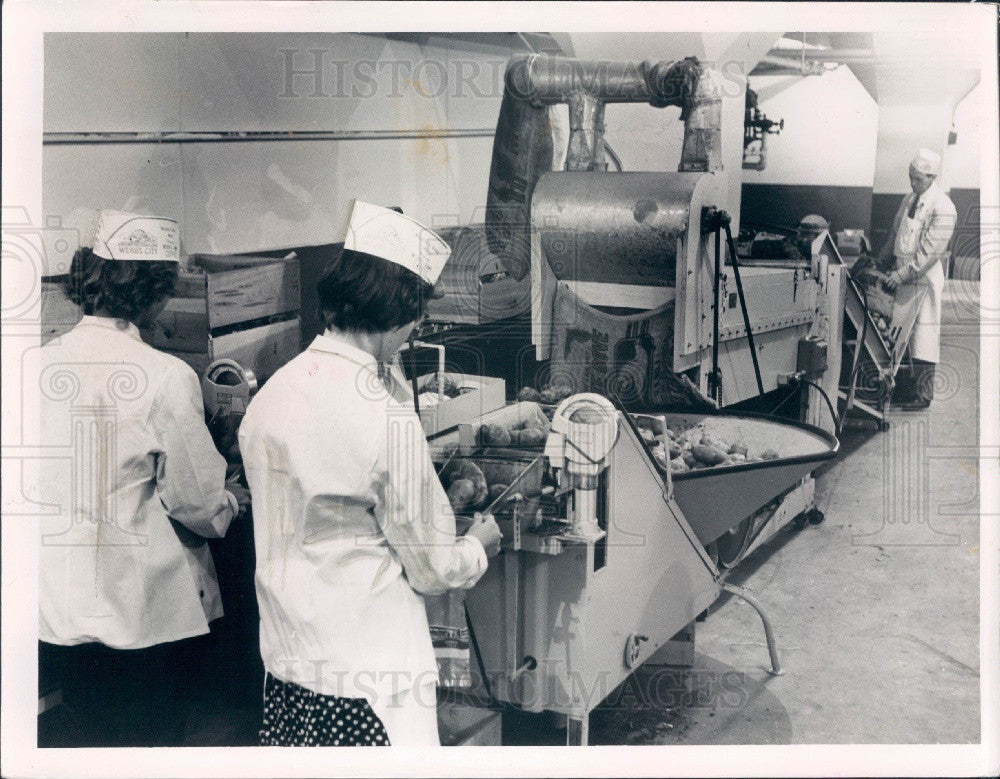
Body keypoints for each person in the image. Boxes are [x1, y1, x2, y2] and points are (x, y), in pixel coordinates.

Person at [239, 201, 502, 747]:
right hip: (370, 679)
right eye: (417, 318)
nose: (415, 332)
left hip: (289, 665)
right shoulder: (386, 421)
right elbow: (431, 568)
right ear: (402, 312)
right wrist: (477, 545)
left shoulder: (272, 394)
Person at [37, 210, 250, 747]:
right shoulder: (164, 376)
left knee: (85, 736)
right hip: (137, 615)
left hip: (54, 604)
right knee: (146, 738)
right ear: (156, 295)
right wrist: (231, 498)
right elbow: (197, 503)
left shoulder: (32, 364)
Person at [879, 148, 957, 409]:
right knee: (900, 337)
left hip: (923, 280)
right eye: (910, 177)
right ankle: (902, 391)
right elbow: (895, 235)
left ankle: (923, 396)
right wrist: (881, 263)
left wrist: (902, 274)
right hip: (901, 279)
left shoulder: (944, 207)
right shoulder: (908, 199)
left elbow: (929, 252)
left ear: (932, 177)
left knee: (923, 337)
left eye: (918, 179)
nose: (913, 183)